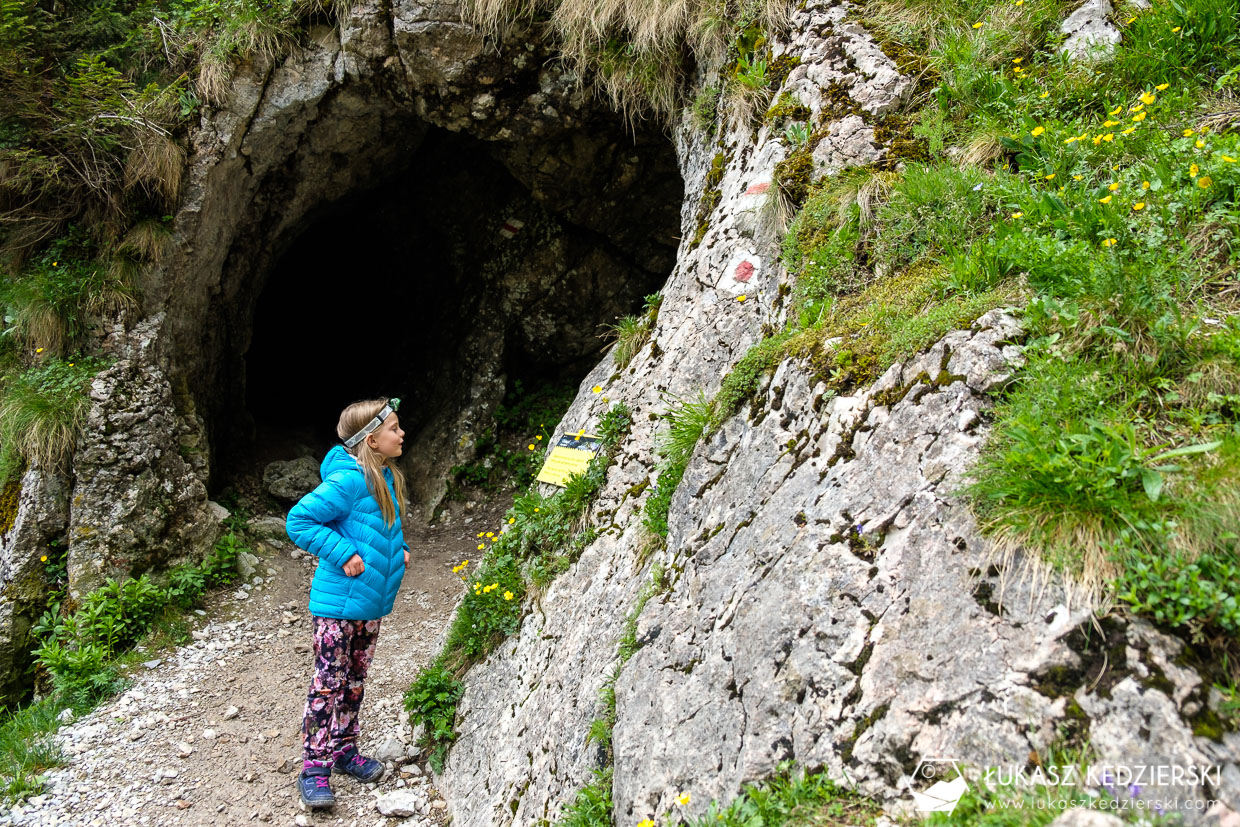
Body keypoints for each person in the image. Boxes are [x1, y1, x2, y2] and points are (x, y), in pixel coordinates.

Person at [285, 398, 410, 809]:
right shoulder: (348, 481)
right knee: (328, 684)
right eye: (394, 428)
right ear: (371, 440)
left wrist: (400, 548)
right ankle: (314, 770)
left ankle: (343, 751)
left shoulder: (384, 478)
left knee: (354, 682)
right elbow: (299, 521)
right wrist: (341, 553)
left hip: (369, 607)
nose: (401, 433)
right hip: (337, 606)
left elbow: (376, 527)